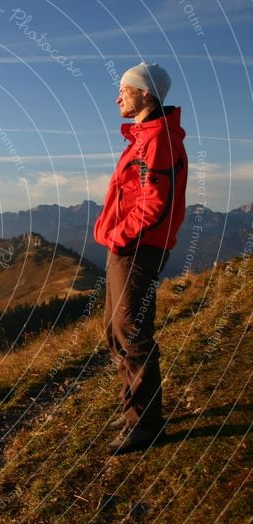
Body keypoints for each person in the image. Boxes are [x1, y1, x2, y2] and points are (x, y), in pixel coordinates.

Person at [93, 62, 188, 455]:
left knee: (131, 332)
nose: (117, 96)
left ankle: (144, 424)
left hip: (137, 248)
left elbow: (155, 203)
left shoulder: (157, 140)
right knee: (116, 331)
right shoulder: (144, 137)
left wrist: (119, 236)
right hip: (129, 246)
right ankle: (135, 406)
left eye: (124, 89)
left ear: (146, 93)